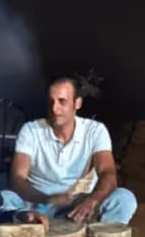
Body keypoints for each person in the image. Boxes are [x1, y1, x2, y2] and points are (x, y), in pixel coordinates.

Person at [10, 76, 137, 224]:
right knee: (6, 198)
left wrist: (92, 200)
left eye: (62, 101)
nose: (54, 109)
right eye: (51, 101)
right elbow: (18, 178)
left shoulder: (95, 130)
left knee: (124, 197)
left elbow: (107, 173)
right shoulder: (31, 130)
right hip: (39, 204)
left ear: (77, 103)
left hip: (77, 202)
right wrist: (47, 199)